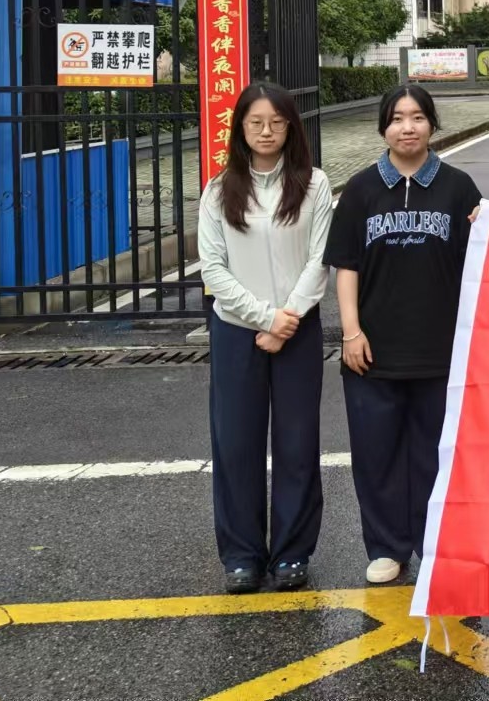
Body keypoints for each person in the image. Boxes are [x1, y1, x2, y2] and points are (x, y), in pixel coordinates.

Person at [328, 84, 482, 585]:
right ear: (383, 128)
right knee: (376, 453)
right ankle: (386, 546)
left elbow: (484, 260)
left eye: (417, 117)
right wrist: (351, 332)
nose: (408, 127)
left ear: (432, 124)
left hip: (441, 350)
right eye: (397, 118)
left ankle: (434, 544)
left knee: (436, 453)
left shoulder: (458, 188)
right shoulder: (360, 190)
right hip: (373, 351)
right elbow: (346, 266)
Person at [198, 82, 332, 594]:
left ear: (291, 127)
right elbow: (213, 268)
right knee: (236, 443)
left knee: (297, 443)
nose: (267, 131)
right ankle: (242, 555)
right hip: (237, 331)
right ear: (240, 128)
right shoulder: (218, 191)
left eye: (277, 122)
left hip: (297, 329)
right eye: (255, 122)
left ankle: (292, 552)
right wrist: (265, 318)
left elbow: (320, 259)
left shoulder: (314, 184)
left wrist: (288, 319)